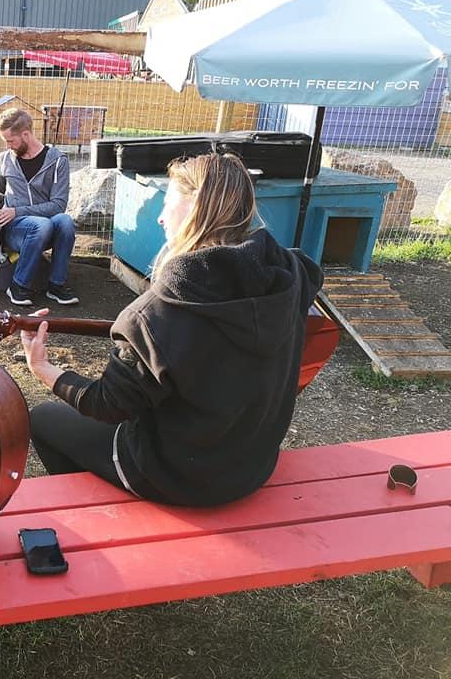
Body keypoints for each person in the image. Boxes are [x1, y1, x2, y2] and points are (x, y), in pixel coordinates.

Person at [19, 152, 323, 507]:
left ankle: (99, 515)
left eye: (168, 202)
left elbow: (107, 404)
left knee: (43, 419)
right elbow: (311, 273)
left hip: (178, 479)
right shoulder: (290, 275)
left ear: (197, 209)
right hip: (250, 466)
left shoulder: (159, 313)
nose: (161, 217)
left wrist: (42, 368)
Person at [0, 108, 78, 306]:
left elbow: (58, 205)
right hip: (16, 229)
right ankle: (18, 286)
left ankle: (56, 286)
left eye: (10, 140)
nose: (7, 146)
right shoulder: (4, 159)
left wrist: (17, 211)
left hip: (44, 226)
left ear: (26, 134)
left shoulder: (58, 161)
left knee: (65, 221)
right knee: (41, 225)